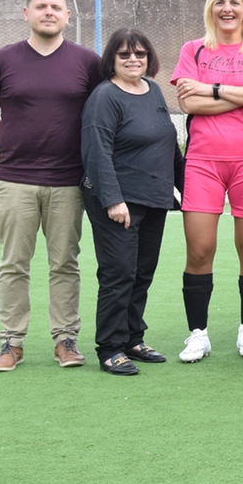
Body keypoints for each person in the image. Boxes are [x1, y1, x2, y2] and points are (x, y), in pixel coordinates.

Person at [0, 0, 102, 372]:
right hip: (15, 179)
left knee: (65, 262)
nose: (48, 12)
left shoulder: (87, 62)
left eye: (55, 7)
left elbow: (100, 115)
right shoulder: (1, 61)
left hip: (69, 181)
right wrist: (16, 146)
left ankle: (65, 339)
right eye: (41, 6)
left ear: (68, 16)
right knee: (14, 263)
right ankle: (11, 342)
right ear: (26, 14)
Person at [170, 0, 243, 362]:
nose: (227, 9)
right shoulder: (193, 49)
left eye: (235, 2)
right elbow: (187, 103)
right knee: (200, 249)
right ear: (210, 8)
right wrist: (241, 93)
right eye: (220, 2)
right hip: (203, 162)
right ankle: (197, 334)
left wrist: (212, 90)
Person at [80, 28, 179, 376]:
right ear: (112, 60)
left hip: (153, 199)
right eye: (124, 55)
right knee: (118, 274)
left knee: (141, 273)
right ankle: (109, 347)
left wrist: (183, 186)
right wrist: (113, 199)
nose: (133, 59)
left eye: (140, 53)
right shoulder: (105, 97)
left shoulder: (151, 90)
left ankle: (133, 338)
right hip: (118, 202)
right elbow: (97, 152)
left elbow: (168, 141)